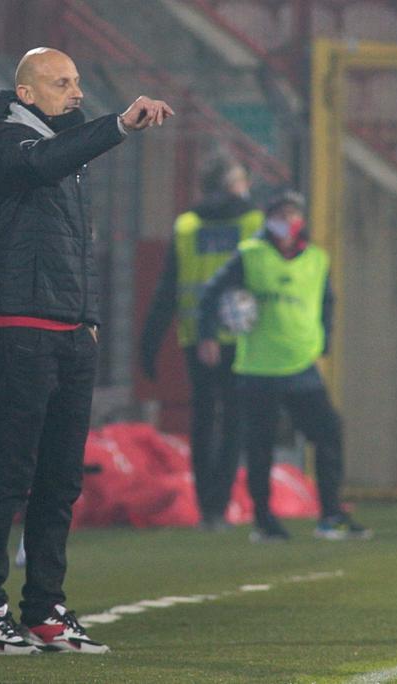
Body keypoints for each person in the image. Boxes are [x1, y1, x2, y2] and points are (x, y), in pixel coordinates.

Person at [0, 47, 173, 655]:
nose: (76, 93)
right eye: (61, 83)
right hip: (17, 329)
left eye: (76, 81)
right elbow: (42, 162)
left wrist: (87, 318)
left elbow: (73, 246)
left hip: (70, 332)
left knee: (60, 479)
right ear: (25, 94)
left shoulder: (56, 146)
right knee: (10, 475)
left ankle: (45, 610)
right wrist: (118, 125)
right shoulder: (5, 143)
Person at [197, 190, 370, 542]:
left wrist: (324, 340)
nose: (288, 220)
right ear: (268, 218)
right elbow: (211, 294)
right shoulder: (251, 255)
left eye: (293, 213)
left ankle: (331, 515)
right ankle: (264, 521)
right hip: (259, 368)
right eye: (280, 213)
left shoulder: (316, 259)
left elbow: (327, 301)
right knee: (260, 446)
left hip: (301, 365)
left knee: (328, 433)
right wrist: (208, 335)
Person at [139, 156, 264, 530]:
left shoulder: (187, 226)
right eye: (241, 179)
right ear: (230, 185)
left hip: (196, 337)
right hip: (241, 336)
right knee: (234, 420)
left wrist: (150, 343)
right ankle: (221, 504)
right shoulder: (252, 222)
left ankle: (206, 506)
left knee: (203, 419)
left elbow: (166, 290)